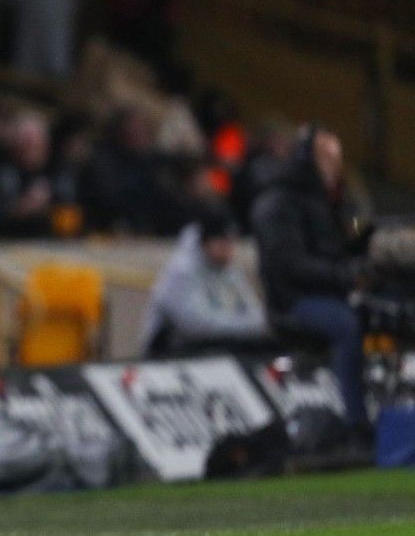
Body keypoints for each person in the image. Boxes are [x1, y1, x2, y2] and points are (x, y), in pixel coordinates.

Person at [252, 125, 369, 431]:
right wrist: (345, 276)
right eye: (326, 157)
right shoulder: (279, 202)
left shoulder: (328, 201)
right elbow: (291, 264)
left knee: (392, 312)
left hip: (331, 290)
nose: (335, 164)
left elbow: (343, 246)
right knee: (345, 324)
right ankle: (354, 420)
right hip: (294, 301)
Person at [140, 212, 271, 357]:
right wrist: (240, 328)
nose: (228, 250)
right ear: (205, 243)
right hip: (173, 350)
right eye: (222, 244)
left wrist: (242, 329)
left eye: (230, 243)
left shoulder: (230, 272)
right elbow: (194, 324)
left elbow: (256, 315)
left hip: (222, 342)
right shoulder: (181, 272)